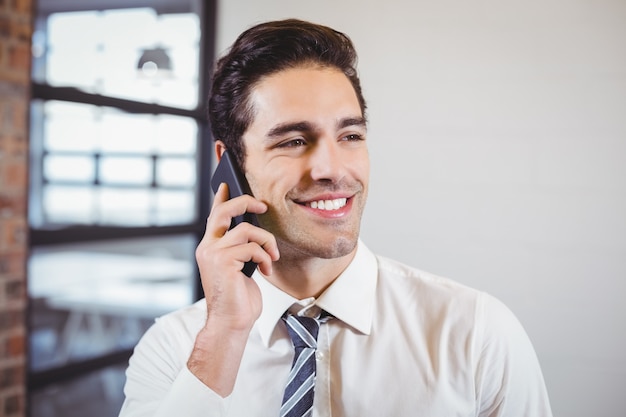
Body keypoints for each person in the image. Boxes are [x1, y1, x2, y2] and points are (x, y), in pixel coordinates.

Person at [119, 19, 553, 417]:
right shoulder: (174, 348)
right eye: (293, 141)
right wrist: (224, 336)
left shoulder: (475, 333)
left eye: (350, 136)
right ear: (228, 163)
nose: (332, 169)